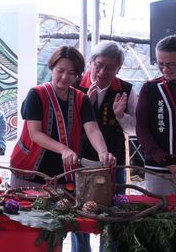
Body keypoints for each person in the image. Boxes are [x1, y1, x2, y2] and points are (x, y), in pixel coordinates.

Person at [69, 41, 138, 252]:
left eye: (110, 67)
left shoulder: (126, 90)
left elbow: (135, 129)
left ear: (118, 69)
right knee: (79, 213)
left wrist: (121, 116)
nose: (102, 72)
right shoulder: (74, 86)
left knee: (113, 214)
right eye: (98, 65)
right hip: (80, 159)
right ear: (90, 63)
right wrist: (81, 106)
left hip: (113, 162)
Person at [10, 45, 116, 188]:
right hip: (28, 170)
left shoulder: (81, 99)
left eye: (71, 73)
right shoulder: (36, 94)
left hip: (62, 173)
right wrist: (64, 149)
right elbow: (35, 133)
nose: (65, 77)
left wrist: (103, 153)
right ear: (52, 68)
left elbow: (93, 130)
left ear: (77, 75)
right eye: (60, 70)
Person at [136, 35, 176, 201]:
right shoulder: (151, 89)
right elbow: (142, 128)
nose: (165, 69)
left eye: (171, 64)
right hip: (159, 170)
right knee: (160, 221)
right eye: (160, 64)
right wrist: (164, 160)